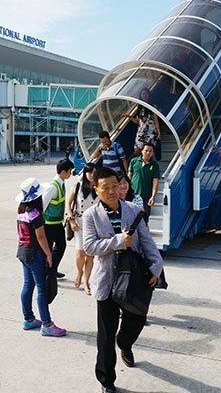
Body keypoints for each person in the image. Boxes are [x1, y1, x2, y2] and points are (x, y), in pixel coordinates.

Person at [82, 167, 164, 393]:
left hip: (134, 279)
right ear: (96, 189)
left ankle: (125, 343)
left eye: (114, 186)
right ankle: (106, 381)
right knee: (105, 337)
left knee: (136, 320)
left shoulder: (133, 210)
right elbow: (89, 246)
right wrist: (119, 241)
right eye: (105, 187)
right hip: (107, 283)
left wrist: (156, 266)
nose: (111, 191)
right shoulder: (90, 216)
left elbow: (146, 240)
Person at [15, 177, 66, 337]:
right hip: (35, 253)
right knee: (41, 288)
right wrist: (48, 254)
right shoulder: (36, 215)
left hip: (23, 251)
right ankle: (47, 323)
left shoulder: (21, 212)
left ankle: (28, 318)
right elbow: (41, 237)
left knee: (27, 284)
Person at [66, 162, 98, 295]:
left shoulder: (99, 187)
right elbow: (68, 203)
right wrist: (71, 219)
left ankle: (86, 281)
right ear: (84, 173)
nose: (91, 175)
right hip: (79, 222)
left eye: (93, 172)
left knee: (90, 255)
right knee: (80, 253)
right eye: (89, 172)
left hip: (94, 224)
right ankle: (79, 273)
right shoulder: (78, 186)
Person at [43, 158, 75, 279]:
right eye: (69, 171)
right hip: (49, 224)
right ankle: (48, 271)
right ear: (63, 171)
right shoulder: (53, 187)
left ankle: (52, 269)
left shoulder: (61, 184)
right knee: (49, 249)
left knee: (61, 245)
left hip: (57, 223)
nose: (70, 174)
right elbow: (42, 206)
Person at [128, 143, 160, 219]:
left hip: (146, 197)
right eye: (146, 150)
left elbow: (155, 181)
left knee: (144, 219)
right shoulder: (134, 161)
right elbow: (129, 176)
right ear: (142, 151)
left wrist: (153, 196)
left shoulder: (154, 165)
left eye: (150, 151)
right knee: (131, 217)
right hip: (133, 195)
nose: (148, 153)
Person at [128, 88, 161, 157]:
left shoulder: (153, 106)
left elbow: (156, 121)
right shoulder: (139, 107)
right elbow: (138, 122)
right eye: (143, 94)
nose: (144, 96)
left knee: (148, 150)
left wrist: (159, 132)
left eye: (146, 94)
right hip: (141, 132)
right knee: (137, 150)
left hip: (150, 132)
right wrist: (129, 117)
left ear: (149, 95)